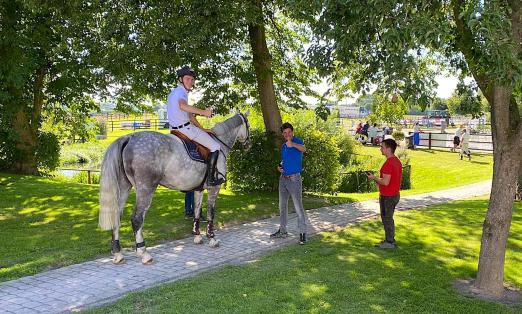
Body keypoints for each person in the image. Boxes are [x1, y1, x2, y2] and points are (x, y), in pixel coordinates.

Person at [167, 66, 222, 186]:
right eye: (187, 79)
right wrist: (204, 112)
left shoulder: (173, 93)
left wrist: (202, 129)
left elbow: (189, 115)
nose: (190, 82)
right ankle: (211, 179)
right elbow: (182, 106)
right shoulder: (181, 92)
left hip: (174, 130)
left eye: (192, 80)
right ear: (180, 79)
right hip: (186, 130)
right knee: (215, 146)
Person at [270, 122, 308, 245]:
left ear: (293, 132)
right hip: (283, 179)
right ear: (283, 134)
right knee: (282, 206)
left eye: (289, 132)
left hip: (294, 180)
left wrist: (293, 144)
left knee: (298, 207)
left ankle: (302, 233)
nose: (287, 135)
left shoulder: (298, 141)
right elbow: (285, 160)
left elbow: (304, 149)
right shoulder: (283, 146)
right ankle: (283, 230)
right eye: (285, 133)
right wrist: (279, 167)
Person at [367, 139, 403, 249]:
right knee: (388, 217)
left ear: (388, 149)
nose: (380, 149)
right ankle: (389, 240)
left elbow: (385, 182)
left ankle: (390, 242)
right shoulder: (396, 161)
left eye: (382, 147)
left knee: (387, 218)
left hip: (388, 196)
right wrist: (377, 180)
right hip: (394, 194)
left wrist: (374, 178)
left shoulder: (389, 163)